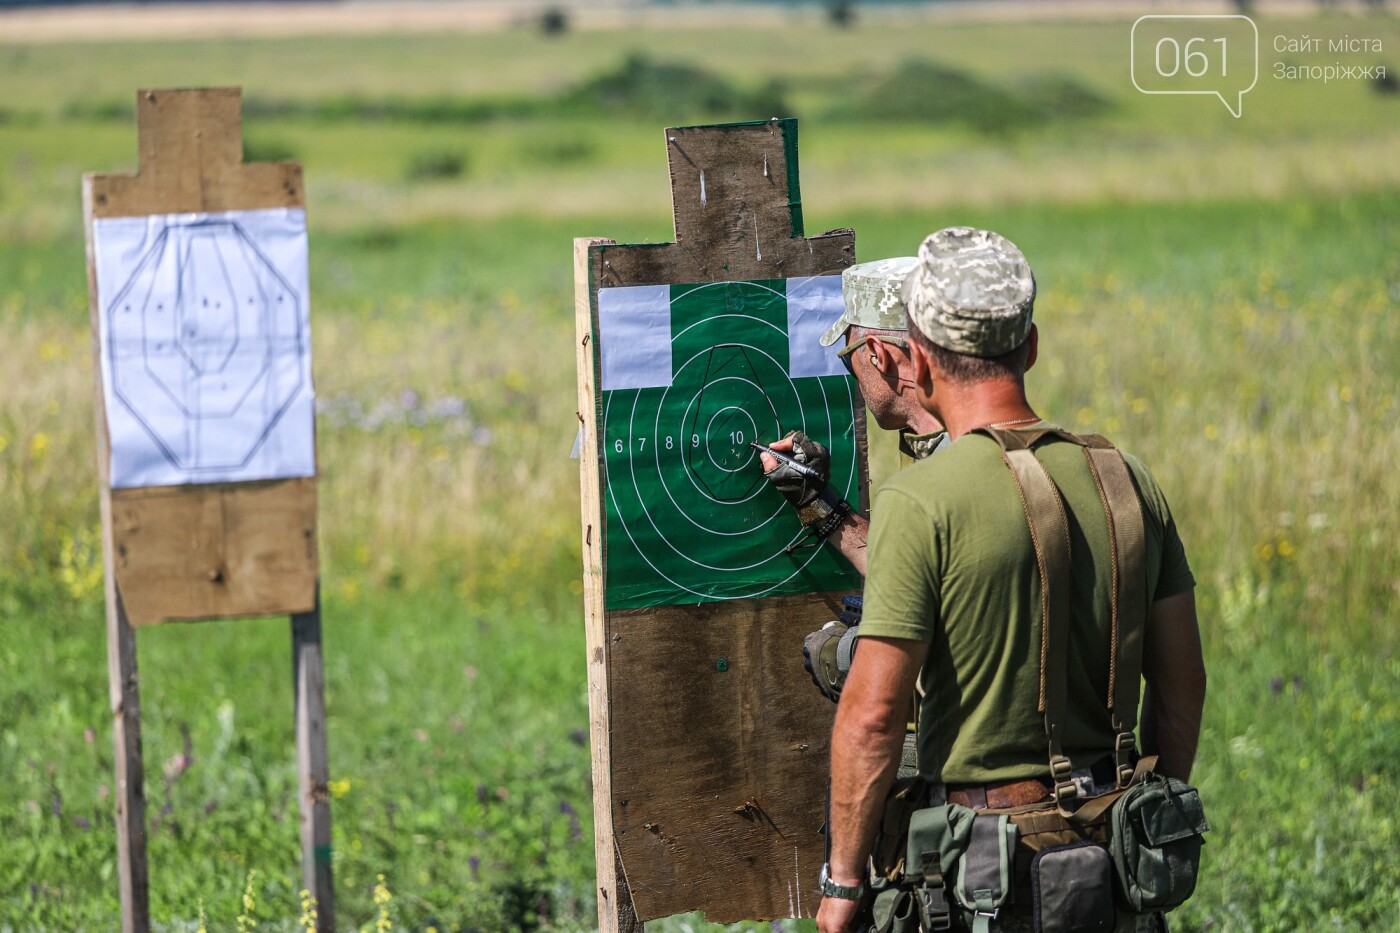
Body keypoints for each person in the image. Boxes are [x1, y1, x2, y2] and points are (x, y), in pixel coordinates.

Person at [811, 227, 1207, 933]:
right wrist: (1149, 817)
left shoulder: (920, 500)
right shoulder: (1127, 477)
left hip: (982, 886)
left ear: (919, 358)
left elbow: (872, 716)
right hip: (1117, 871)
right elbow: (1182, 683)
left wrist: (841, 883)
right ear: (1029, 347)